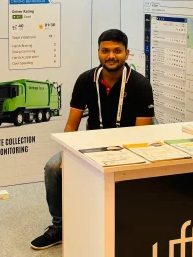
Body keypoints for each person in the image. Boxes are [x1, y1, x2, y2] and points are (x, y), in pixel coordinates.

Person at [30, 29, 154, 251]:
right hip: (91, 146)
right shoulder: (86, 80)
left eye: (117, 51)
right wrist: (68, 155)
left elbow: (142, 134)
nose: (111, 56)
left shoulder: (140, 85)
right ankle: (59, 227)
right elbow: (72, 125)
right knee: (53, 167)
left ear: (127, 53)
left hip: (127, 147)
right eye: (105, 50)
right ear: (98, 52)